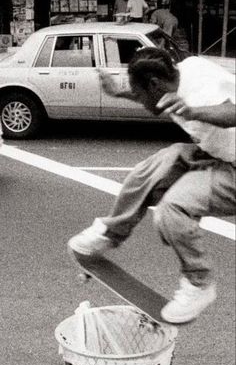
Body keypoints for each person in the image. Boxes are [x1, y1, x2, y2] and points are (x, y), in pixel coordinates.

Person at [68, 48, 235, 324]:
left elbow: (232, 111)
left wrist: (194, 111)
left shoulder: (199, 93)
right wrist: (119, 92)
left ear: (155, 85)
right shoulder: (185, 69)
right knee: (146, 172)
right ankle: (110, 233)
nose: (144, 104)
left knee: (172, 210)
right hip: (217, 155)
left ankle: (199, 284)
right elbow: (153, 98)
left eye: (141, 94)